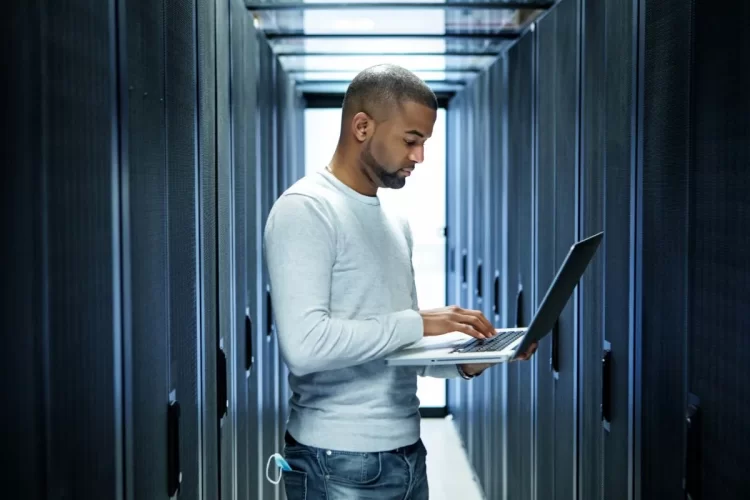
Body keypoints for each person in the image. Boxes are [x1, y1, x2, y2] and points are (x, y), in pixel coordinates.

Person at [263, 64, 538, 500]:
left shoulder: (394, 220)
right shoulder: (306, 210)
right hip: (337, 462)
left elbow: (396, 350)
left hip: (407, 455)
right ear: (362, 126)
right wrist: (421, 321)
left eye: (425, 142)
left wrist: (472, 361)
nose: (419, 157)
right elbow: (304, 347)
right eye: (411, 140)